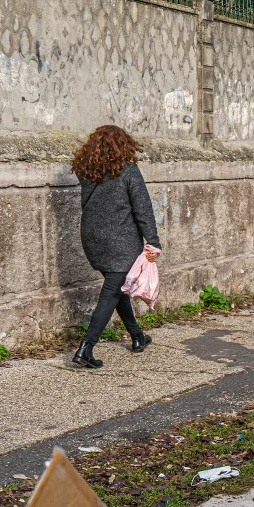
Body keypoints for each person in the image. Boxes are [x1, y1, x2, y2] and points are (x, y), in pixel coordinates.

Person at [69, 125, 162, 369]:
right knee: (111, 292)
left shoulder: (86, 171)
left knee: (117, 287)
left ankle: (137, 336)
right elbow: (143, 210)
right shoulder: (129, 171)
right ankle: (86, 348)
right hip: (121, 242)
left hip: (92, 240)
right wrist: (153, 242)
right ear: (124, 145)